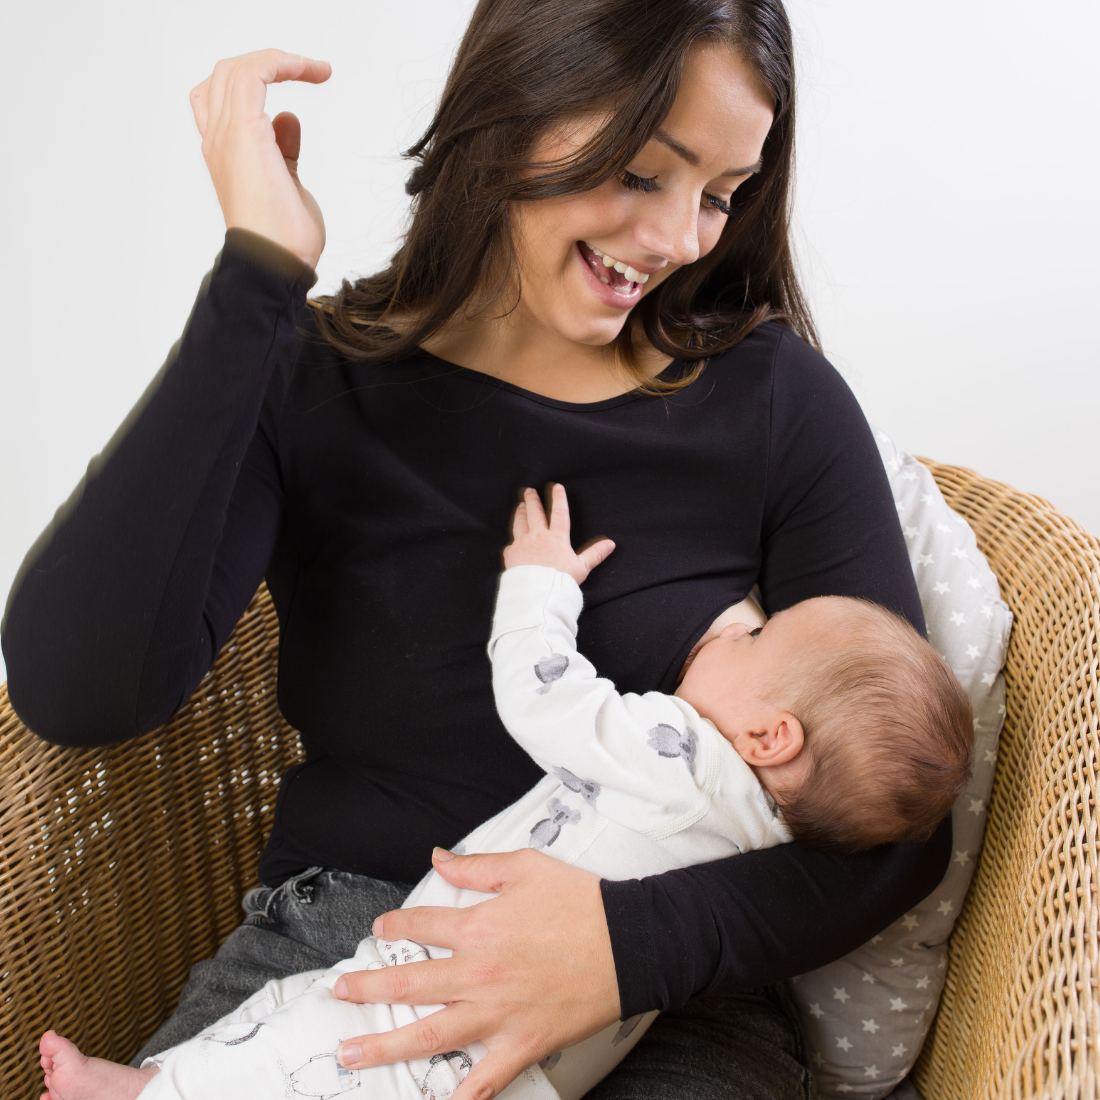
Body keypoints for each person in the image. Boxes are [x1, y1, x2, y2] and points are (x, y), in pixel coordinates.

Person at [2, 2, 954, 1098]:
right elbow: (78, 690)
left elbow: (893, 835)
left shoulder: (772, 401)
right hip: (341, 966)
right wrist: (257, 274)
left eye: (720, 196)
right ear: (511, 108)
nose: (682, 239)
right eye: (646, 173)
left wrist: (615, 945)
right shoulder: (314, 382)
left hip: (656, 1000)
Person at [37, 484, 972, 1100]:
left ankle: (151, 1092)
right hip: (535, 1070)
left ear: (772, 735)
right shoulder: (771, 841)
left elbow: (543, 695)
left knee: (305, 1045)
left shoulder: (673, 747)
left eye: (759, 642)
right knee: (307, 1030)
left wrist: (537, 587)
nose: (734, 633)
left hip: (436, 1001)